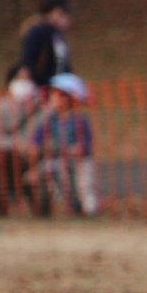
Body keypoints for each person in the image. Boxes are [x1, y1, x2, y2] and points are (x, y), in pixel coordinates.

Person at [29, 72, 98, 216]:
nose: (57, 99)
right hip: (57, 159)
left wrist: (67, 150)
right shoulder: (49, 119)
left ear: (72, 98)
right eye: (54, 94)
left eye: (62, 95)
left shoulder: (80, 120)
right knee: (44, 173)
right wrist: (37, 155)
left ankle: (87, 211)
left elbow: (84, 146)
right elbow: (36, 141)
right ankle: (43, 210)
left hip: (79, 162)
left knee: (84, 187)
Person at [0, 65, 42, 217]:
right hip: (3, 155)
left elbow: (41, 136)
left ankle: (38, 208)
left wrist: (27, 146)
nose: (24, 82)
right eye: (20, 79)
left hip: (29, 157)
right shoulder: (0, 107)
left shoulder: (40, 108)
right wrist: (15, 144)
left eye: (27, 79)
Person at [19, 0, 75, 86]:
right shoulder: (37, 32)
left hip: (58, 90)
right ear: (56, 12)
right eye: (64, 14)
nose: (69, 18)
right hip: (42, 90)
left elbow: (63, 65)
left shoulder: (58, 34)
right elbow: (26, 66)